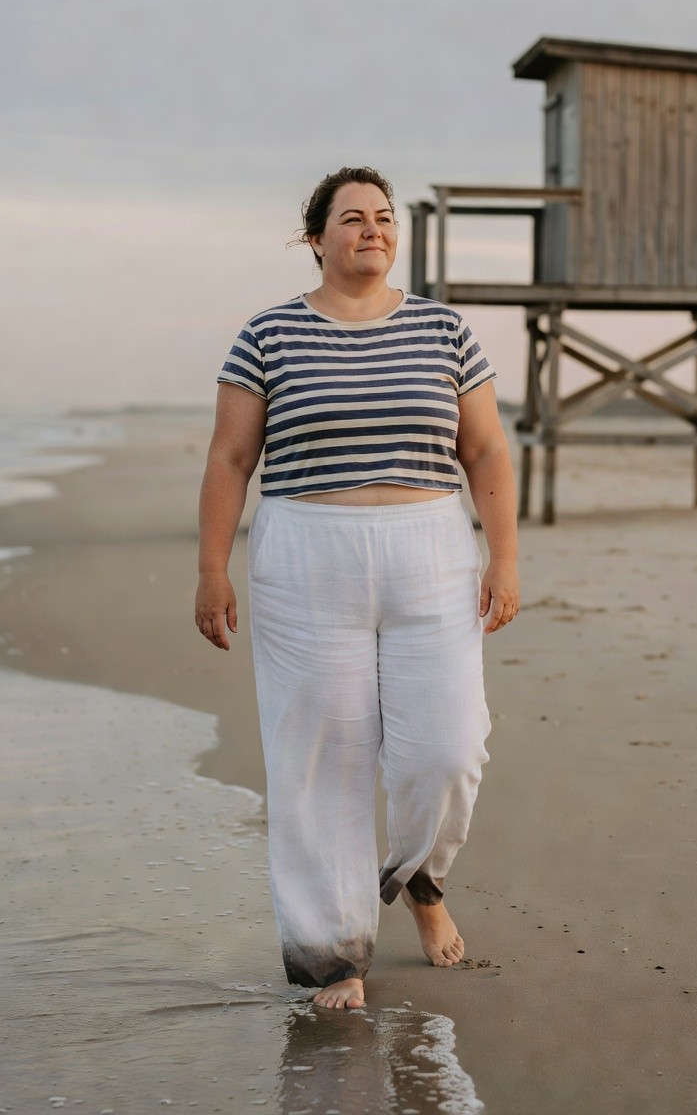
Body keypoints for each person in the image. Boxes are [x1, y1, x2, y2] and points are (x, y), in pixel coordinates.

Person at [195, 165, 519, 1010]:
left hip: (431, 551)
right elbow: (232, 458)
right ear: (317, 238)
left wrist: (506, 558)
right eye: (351, 218)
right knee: (320, 761)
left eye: (384, 218)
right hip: (306, 554)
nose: (372, 230)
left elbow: (485, 452)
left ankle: (419, 877)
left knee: (448, 750)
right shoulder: (267, 334)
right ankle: (332, 954)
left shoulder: (445, 330)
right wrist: (211, 568)